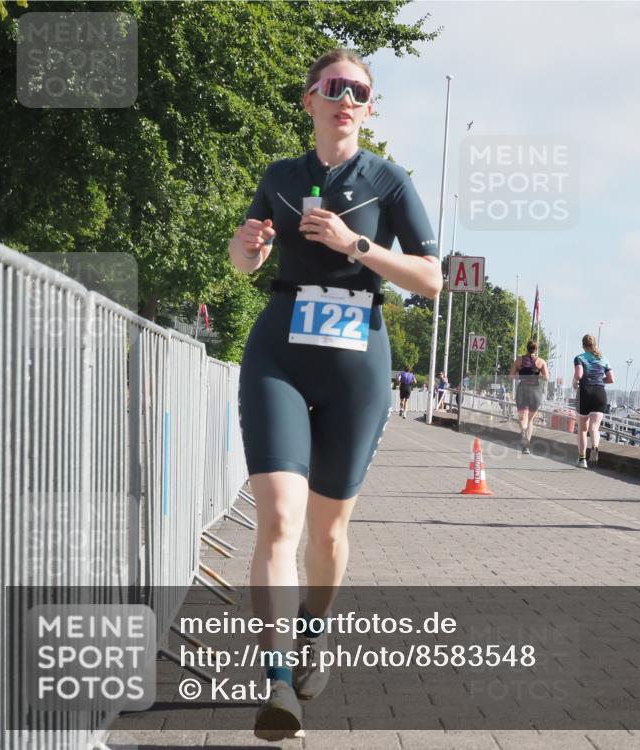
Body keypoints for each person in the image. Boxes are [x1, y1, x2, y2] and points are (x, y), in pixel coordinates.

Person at [229, 48, 441, 740]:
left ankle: (314, 631)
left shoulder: (390, 180)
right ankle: (278, 682)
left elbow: (432, 282)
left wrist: (357, 247)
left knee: (326, 530)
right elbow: (244, 262)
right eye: (334, 87)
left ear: (368, 108)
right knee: (280, 523)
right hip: (280, 355)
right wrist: (250, 246)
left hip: (356, 363)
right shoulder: (280, 177)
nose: (347, 98)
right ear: (310, 100)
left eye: (360, 91)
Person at [573, 334, 613, 468]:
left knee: (583, 430)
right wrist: (599, 380)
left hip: (585, 393)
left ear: (583, 345)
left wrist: (574, 382)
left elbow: (579, 375)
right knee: (594, 428)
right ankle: (595, 446)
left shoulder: (580, 358)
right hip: (599, 394)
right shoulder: (603, 358)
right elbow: (611, 379)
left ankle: (582, 459)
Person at [510, 340, 550, 454]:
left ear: (527, 348)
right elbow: (546, 378)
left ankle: (523, 431)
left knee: (523, 417)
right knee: (531, 420)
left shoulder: (519, 360)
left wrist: (521, 375)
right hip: (535, 391)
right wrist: (539, 375)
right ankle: (526, 446)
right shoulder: (541, 362)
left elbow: (511, 375)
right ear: (536, 349)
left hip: (522, 389)